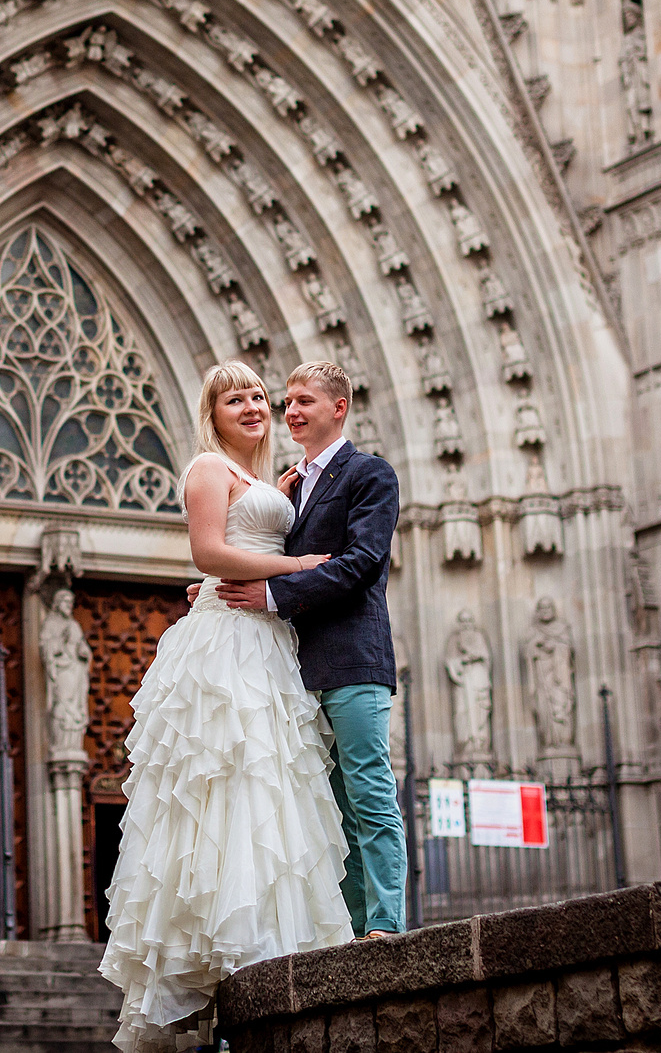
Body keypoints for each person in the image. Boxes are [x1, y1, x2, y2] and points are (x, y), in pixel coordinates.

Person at [100, 362, 352, 1053]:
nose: (252, 406)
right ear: (211, 413)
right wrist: (299, 569)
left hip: (267, 639)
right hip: (230, 640)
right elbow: (211, 549)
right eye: (234, 397)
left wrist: (284, 502)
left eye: (258, 397)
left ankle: (269, 947)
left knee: (272, 787)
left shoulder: (269, 482)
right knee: (227, 780)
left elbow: (245, 540)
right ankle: (228, 950)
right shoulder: (207, 468)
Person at [215, 360, 407, 940]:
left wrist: (272, 593)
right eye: (288, 402)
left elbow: (360, 563)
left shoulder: (370, 474)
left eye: (305, 401)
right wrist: (220, 590)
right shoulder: (294, 486)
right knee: (328, 810)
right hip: (296, 671)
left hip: (352, 660)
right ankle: (344, 930)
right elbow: (263, 552)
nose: (290, 411)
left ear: (338, 407)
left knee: (369, 790)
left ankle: (387, 922)